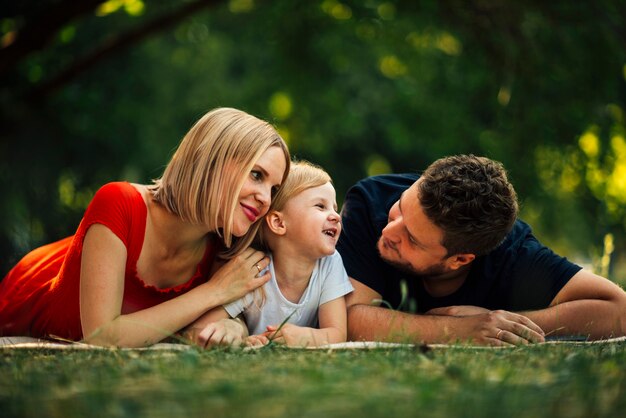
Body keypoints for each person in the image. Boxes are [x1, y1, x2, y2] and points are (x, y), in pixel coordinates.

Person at [0, 107, 290, 348]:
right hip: (24, 299)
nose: (265, 198)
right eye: (256, 174)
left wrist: (233, 325)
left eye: (273, 189)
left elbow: (217, 316)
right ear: (211, 161)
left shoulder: (223, 246)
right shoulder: (118, 202)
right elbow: (101, 338)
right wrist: (214, 292)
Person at [337, 154, 626, 346]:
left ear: (460, 259)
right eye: (399, 208)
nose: (389, 231)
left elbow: (620, 311)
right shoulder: (369, 201)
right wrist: (461, 330)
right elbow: (347, 320)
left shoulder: (515, 256)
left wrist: (499, 324)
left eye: (412, 239)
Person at [185, 160, 353, 348]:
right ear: (279, 223)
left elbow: (337, 334)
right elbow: (200, 329)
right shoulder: (255, 271)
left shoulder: (330, 264)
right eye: (321, 207)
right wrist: (235, 333)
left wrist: (304, 337)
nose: (336, 216)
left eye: (334, 208)